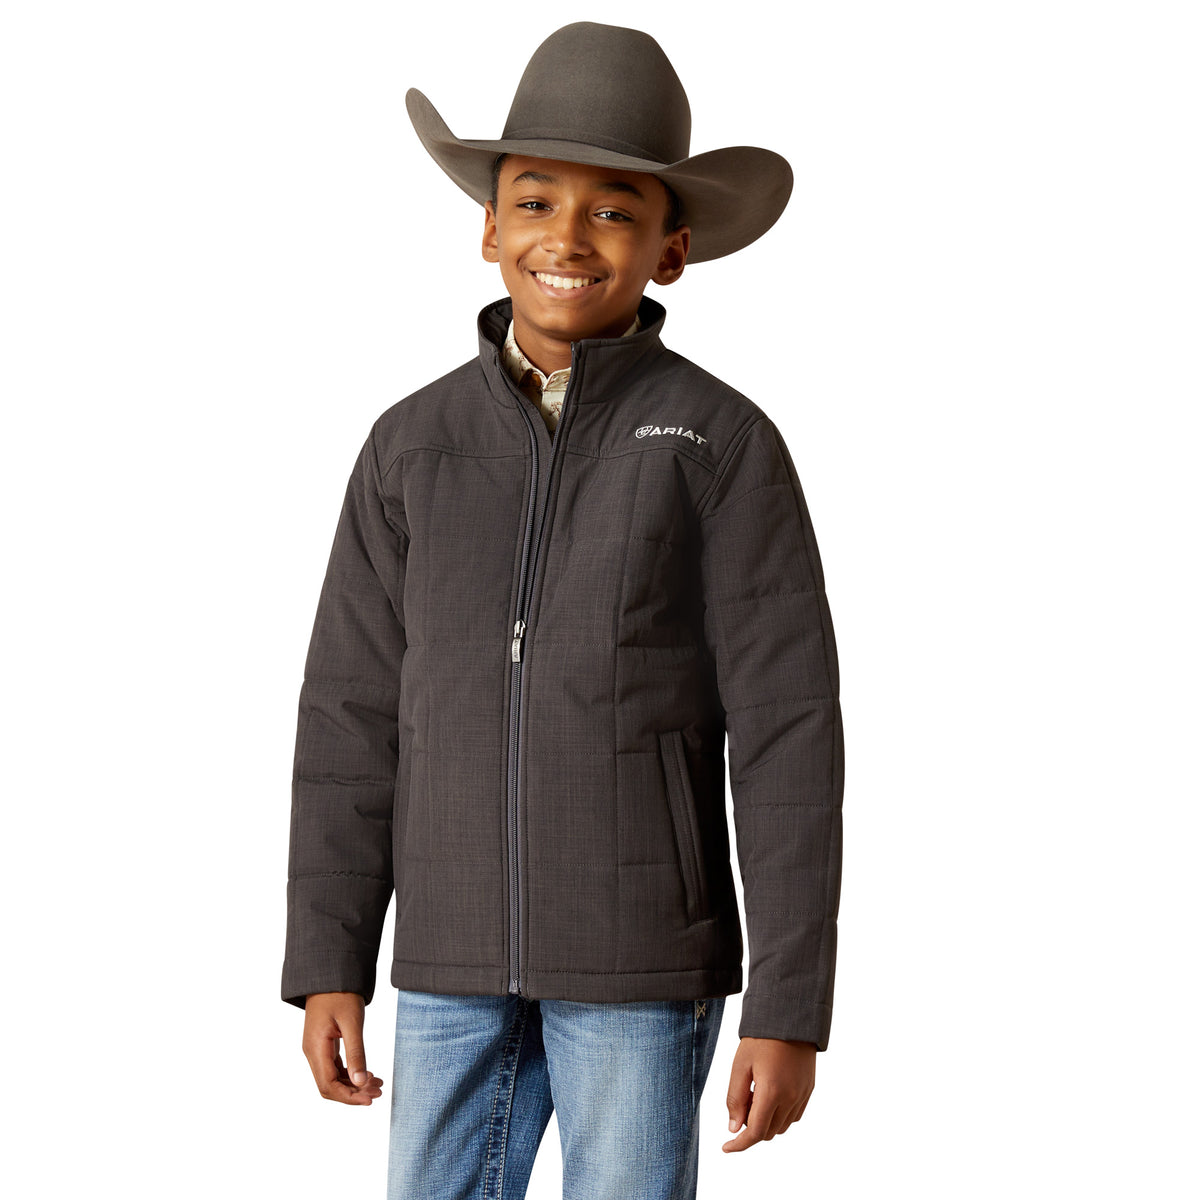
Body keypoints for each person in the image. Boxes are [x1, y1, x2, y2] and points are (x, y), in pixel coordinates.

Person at [281, 21, 845, 1199]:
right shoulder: (411, 445)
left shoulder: (719, 445)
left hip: (642, 967)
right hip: (444, 962)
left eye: (614, 210)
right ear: (489, 227)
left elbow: (792, 733)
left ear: (672, 248)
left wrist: (789, 1004)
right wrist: (329, 954)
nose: (568, 238)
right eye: (535, 202)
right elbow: (347, 715)